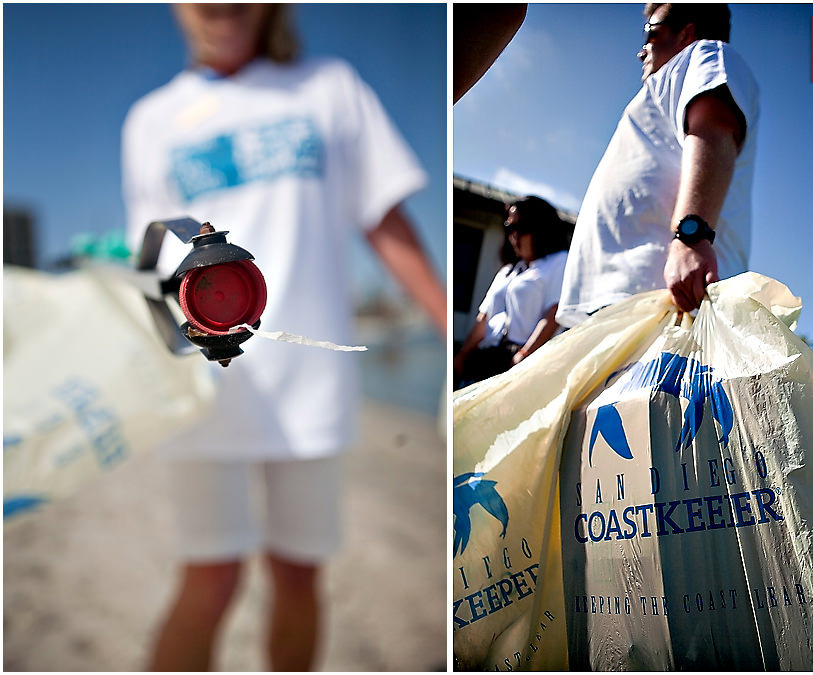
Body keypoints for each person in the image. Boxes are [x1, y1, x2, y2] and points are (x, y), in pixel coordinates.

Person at [121, 4, 446, 670]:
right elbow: (146, 259)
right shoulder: (151, 120)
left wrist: (453, 329)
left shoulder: (330, 87)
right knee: (211, 577)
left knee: (299, 573)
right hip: (201, 387)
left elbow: (383, 216)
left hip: (310, 382)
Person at [556, 3, 759, 326]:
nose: (641, 51)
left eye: (651, 33)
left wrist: (691, 238)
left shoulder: (706, 55)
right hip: (627, 306)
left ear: (687, 32)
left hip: (670, 300)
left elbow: (713, 128)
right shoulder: (660, 90)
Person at [454, 196, 568, 387]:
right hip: (486, 357)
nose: (513, 235)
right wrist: (462, 355)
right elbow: (485, 318)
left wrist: (524, 355)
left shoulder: (559, 262)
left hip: (520, 361)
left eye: (520, 228)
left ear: (540, 228)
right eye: (509, 228)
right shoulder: (507, 271)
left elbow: (554, 314)